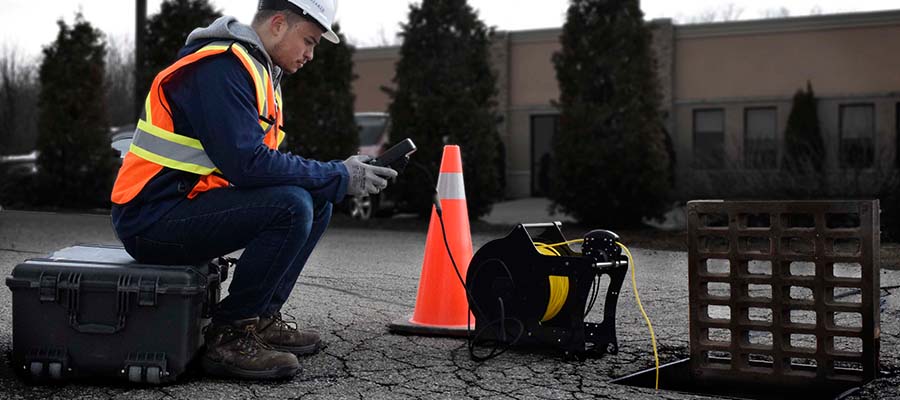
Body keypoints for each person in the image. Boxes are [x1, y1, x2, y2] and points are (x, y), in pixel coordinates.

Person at [109, 0, 397, 380]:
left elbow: (265, 164)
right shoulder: (220, 68)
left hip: (186, 206)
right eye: (308, 41)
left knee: (316, 198)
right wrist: (336, 173)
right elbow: (246, 164)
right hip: (152, 220)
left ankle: (260, 319)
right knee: (292, 204)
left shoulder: (258, 70)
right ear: (278, 24)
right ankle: (230, 334)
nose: (311, 55)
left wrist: (333, 178)